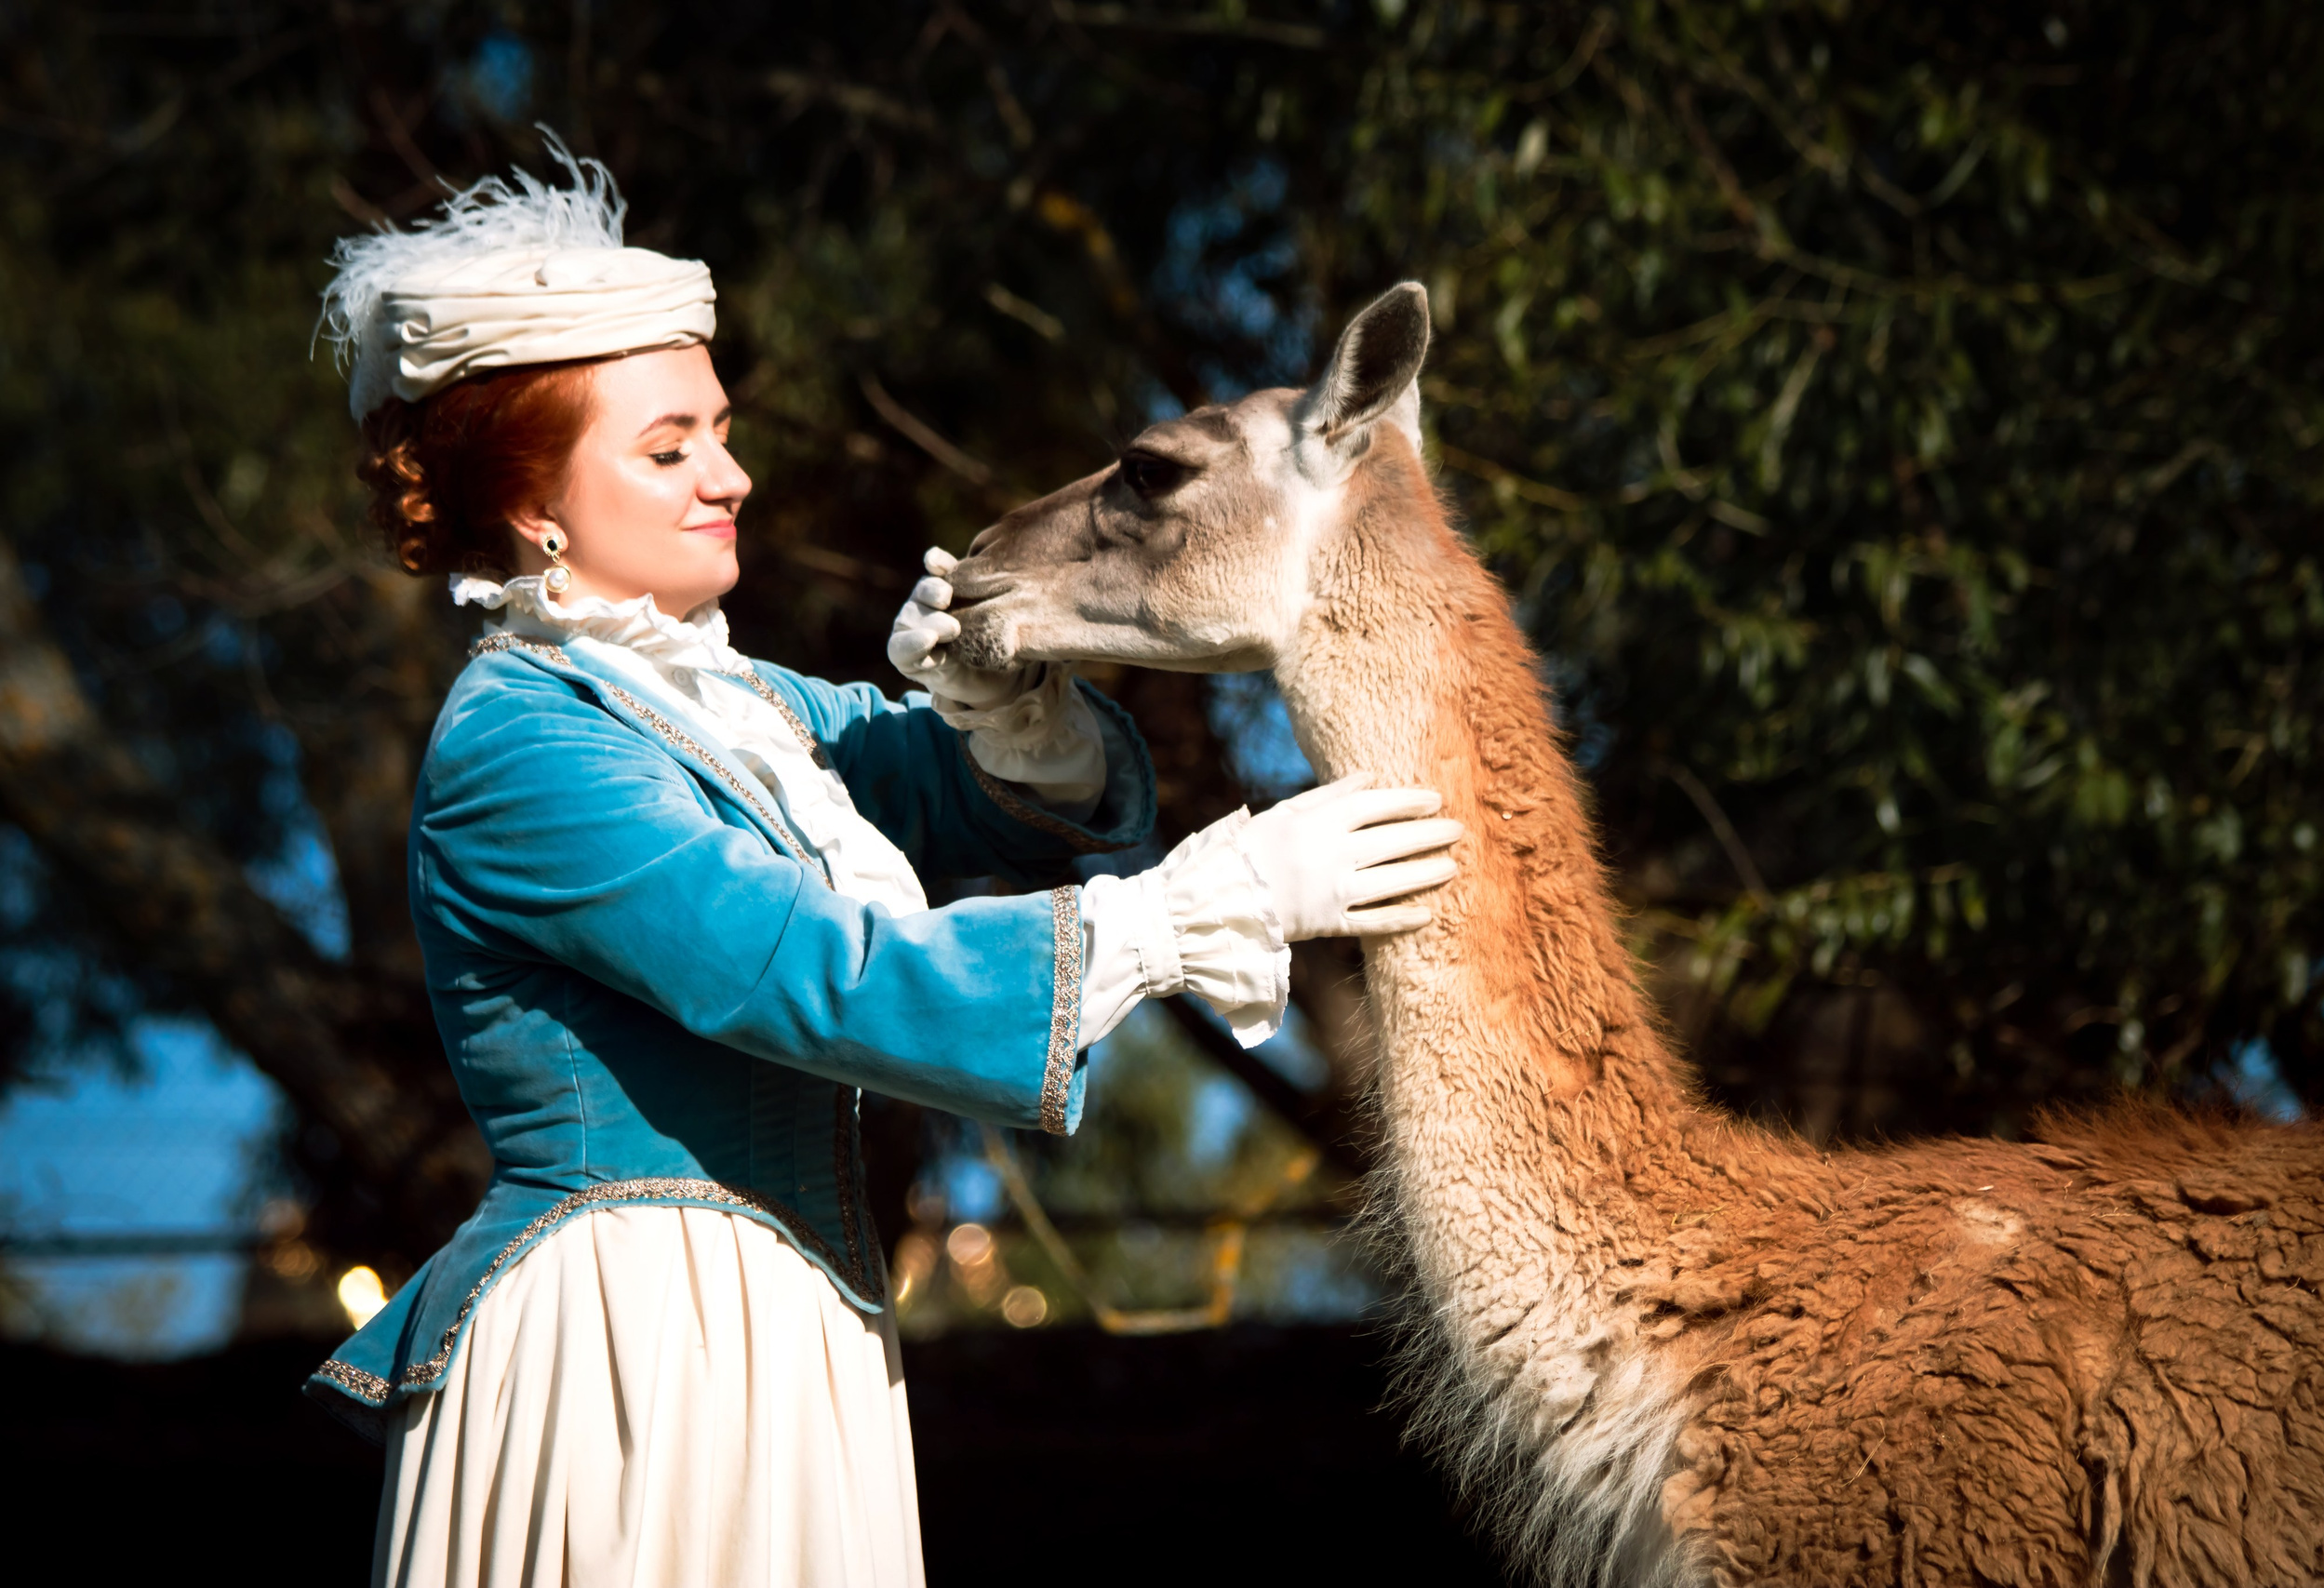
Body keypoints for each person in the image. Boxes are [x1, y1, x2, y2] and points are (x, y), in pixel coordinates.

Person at [302, 145, 1463, 1588]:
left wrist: (1008, 705)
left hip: (790, 1325)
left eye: (719, 430)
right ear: (533, 502)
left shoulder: (745, 707)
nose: (731, 473)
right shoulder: (526, 747)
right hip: (631, 1346)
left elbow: (975, 797)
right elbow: (816, 979)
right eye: (668, 449)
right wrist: (1198, 908)